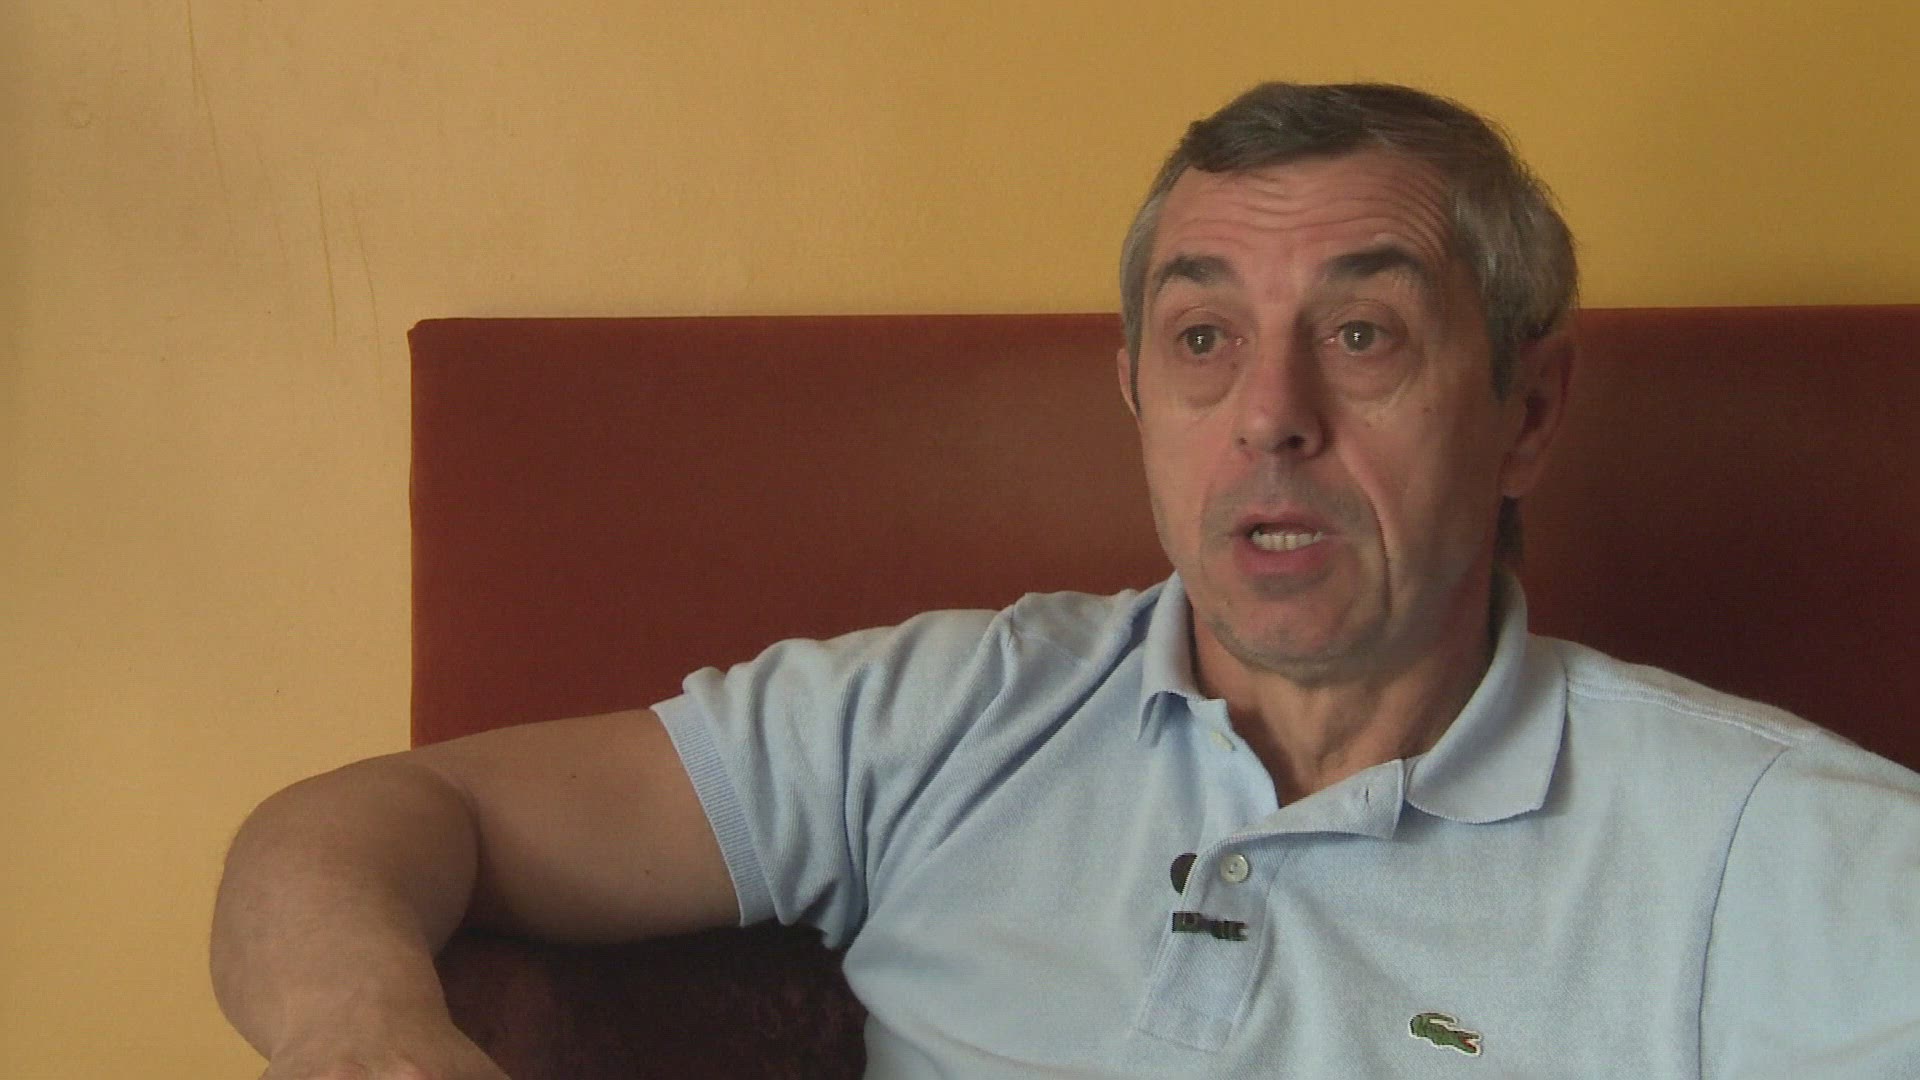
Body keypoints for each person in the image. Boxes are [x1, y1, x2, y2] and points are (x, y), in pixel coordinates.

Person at [211, 82, 1920, 1079]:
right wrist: (371, 1037)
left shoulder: (1767, 843)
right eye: (1202, 340)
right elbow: (360, 823)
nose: (1271, 417)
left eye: (1364, 334)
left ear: (1527, 412)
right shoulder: (941, 718)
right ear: (1137, 398)